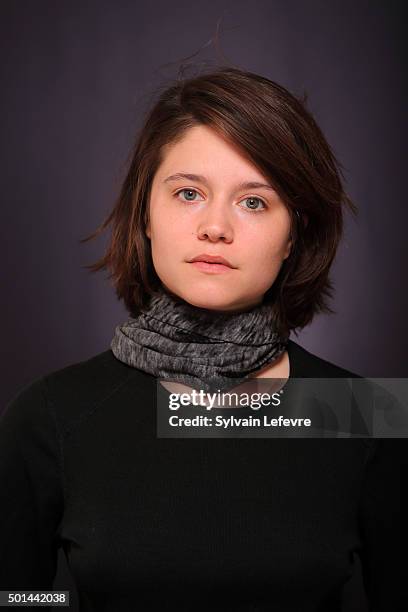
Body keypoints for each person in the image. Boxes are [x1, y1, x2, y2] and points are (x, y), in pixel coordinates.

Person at [0, 66, 406, 611]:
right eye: (189, 193)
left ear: (294, 236)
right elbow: (16, 596)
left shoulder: (362, 413)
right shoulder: (52, 414)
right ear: (145, 214)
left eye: (254, 201)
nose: (215, 227)